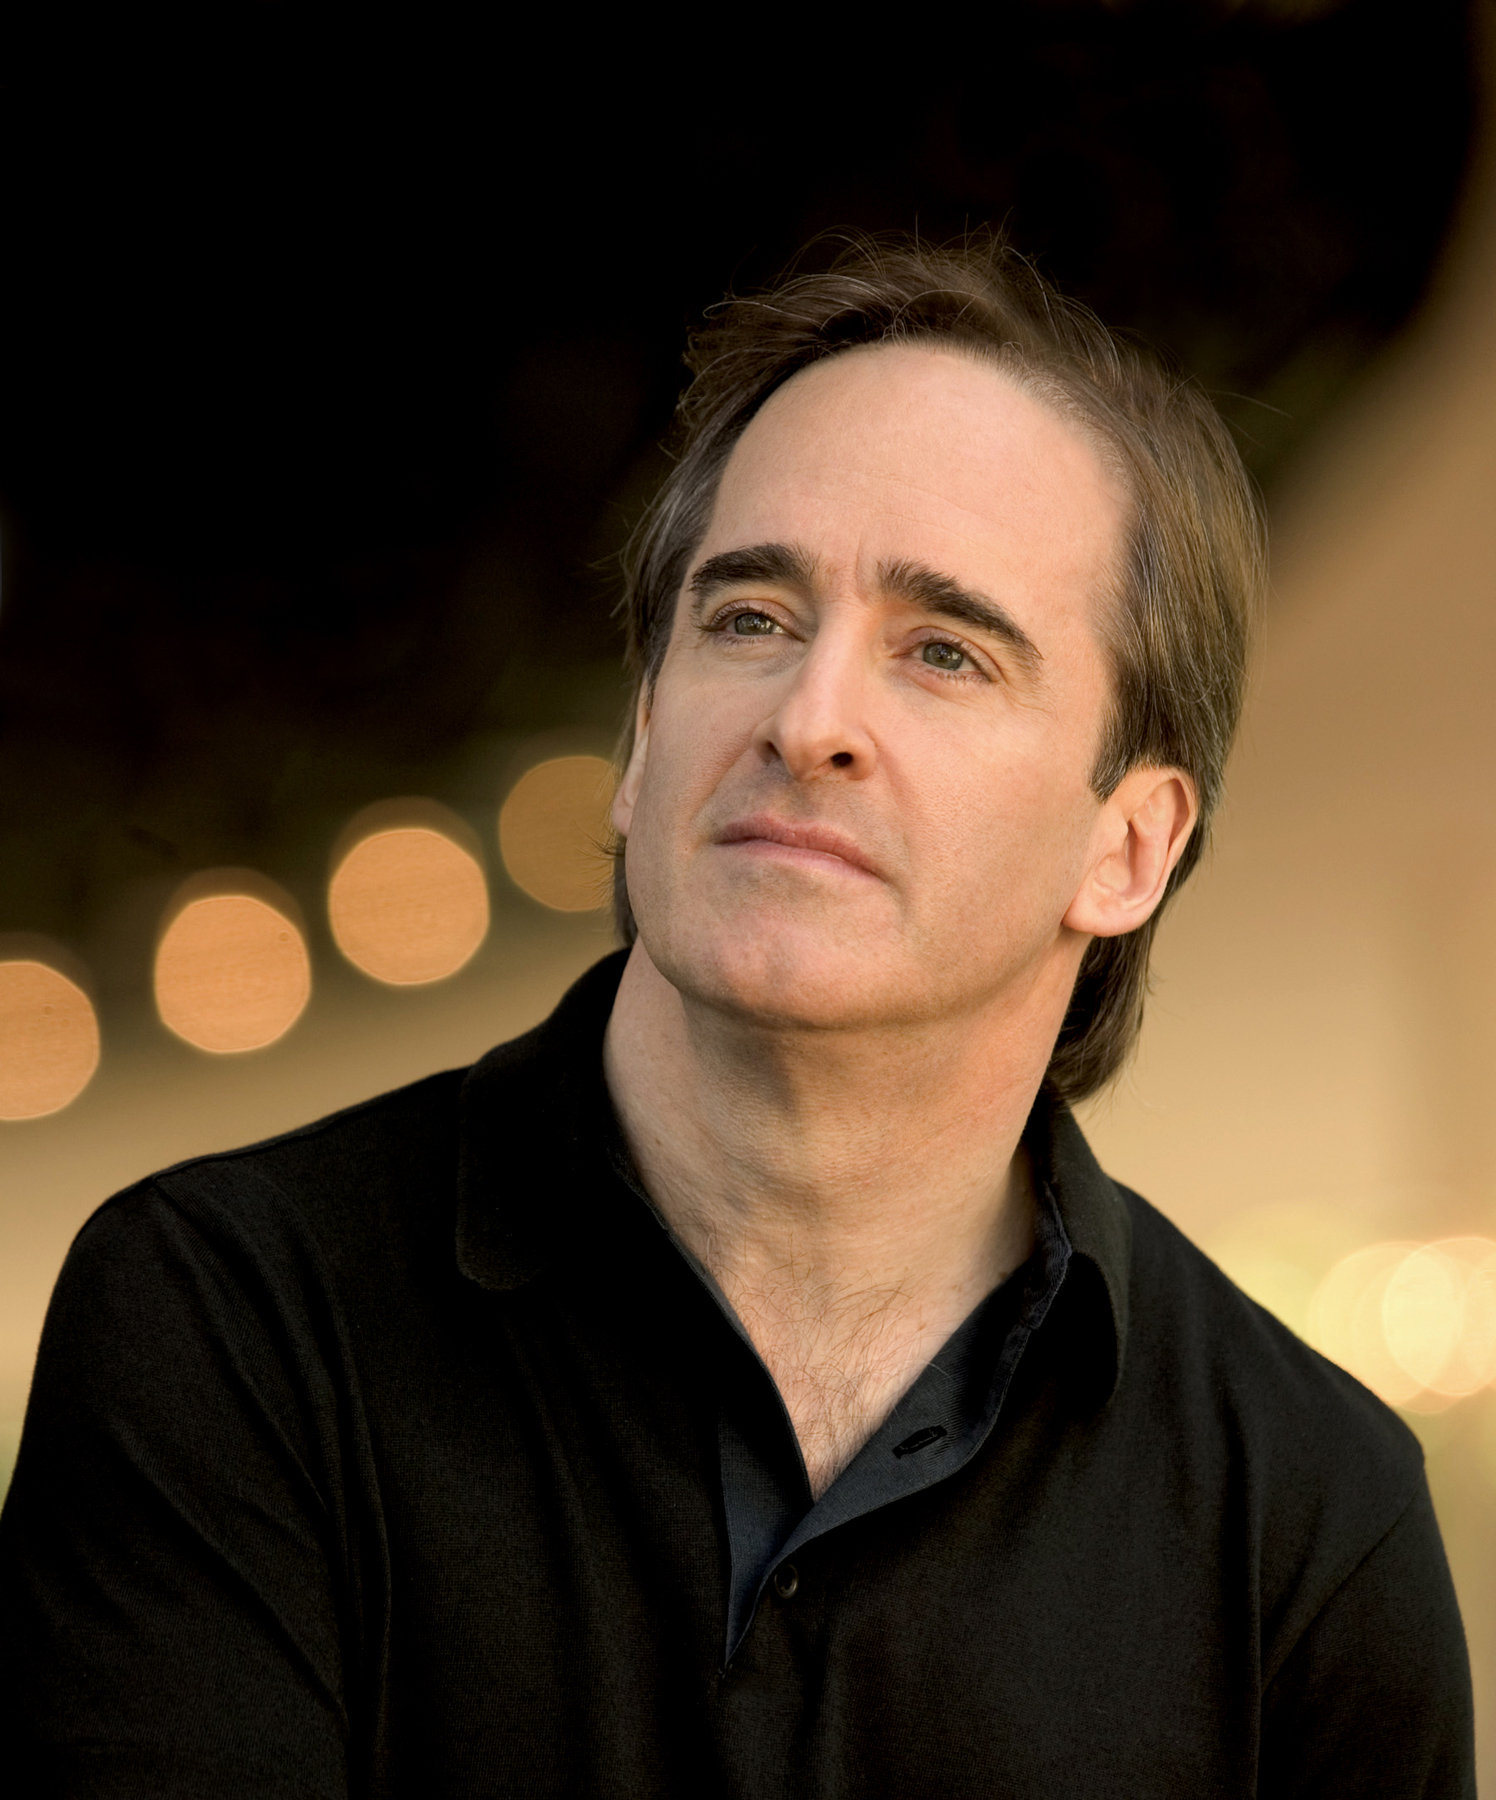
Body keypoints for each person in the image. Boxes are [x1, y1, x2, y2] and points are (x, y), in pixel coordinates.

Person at [0, 236, 1474, 1797]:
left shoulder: (1310, 1519)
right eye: (750, 619)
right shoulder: (231, 1322)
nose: (810, 719)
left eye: (945, 653)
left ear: (1130, 847)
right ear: (641, 745)